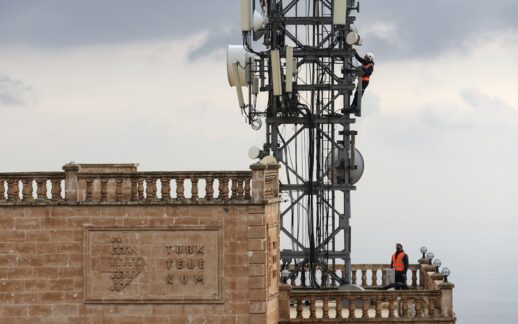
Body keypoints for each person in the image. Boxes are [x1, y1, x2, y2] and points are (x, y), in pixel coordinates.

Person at [350, 49, 374, 115]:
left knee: (359, 94)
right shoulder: (365, 62)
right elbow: (359, 58)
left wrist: (363, 71)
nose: (365, 58)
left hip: (365, 82)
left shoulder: (370, 65)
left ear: (369, 58)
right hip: (361, 81)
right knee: (356, 93)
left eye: (366, 57)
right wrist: (355, 52)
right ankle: (353, 105)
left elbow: (369, 73)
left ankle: (356, 106)